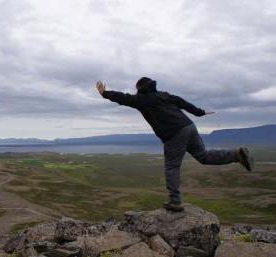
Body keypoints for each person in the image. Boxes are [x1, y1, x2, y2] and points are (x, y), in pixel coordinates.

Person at [95, 77, 254, 212]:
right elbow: (181, 102)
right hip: (189, 126)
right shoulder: (164, 95)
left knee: (172, 166)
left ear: (139, 88)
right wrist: (199, 112)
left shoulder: (141, 100)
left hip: (174, 133)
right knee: (203, 156)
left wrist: (105, 94)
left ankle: (175, 202)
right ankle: (236, 155)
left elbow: (123, 97)